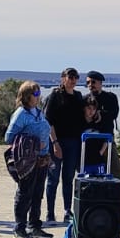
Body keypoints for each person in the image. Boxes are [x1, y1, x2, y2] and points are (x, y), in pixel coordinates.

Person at [5, 80, 54, 238]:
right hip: (28, 160)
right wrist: (31, 141)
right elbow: (9, 137)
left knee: (37, 193)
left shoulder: (38, 112)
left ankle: (34, 225)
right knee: (25, 192)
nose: (39, 96)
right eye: (36, 93)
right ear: (27, 96)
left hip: (42, 159)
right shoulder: (21, 114)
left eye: (39, 93)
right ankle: (19, 228)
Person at [43, 67, 86, 223]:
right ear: (63, 78)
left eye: (75, 77)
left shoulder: (78, 96)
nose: (73, 80)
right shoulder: (55, 96)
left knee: (68, 178)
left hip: (73, 142)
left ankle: (67, 210)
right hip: (56, 141)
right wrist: (55, 143)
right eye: (70, 77)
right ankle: (50, 212)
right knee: (53, 178)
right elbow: (48, 122)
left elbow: (83, 118)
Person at [83, 70, 120, 194]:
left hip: (107, 141)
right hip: (90, 143)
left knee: (115, 171)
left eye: (93, 82)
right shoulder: (85, 99)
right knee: (90, 173)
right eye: (88, 82)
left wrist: (101, 113)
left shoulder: (110, 98)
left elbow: (114, 114)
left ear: (100, 83)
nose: (91, 85)